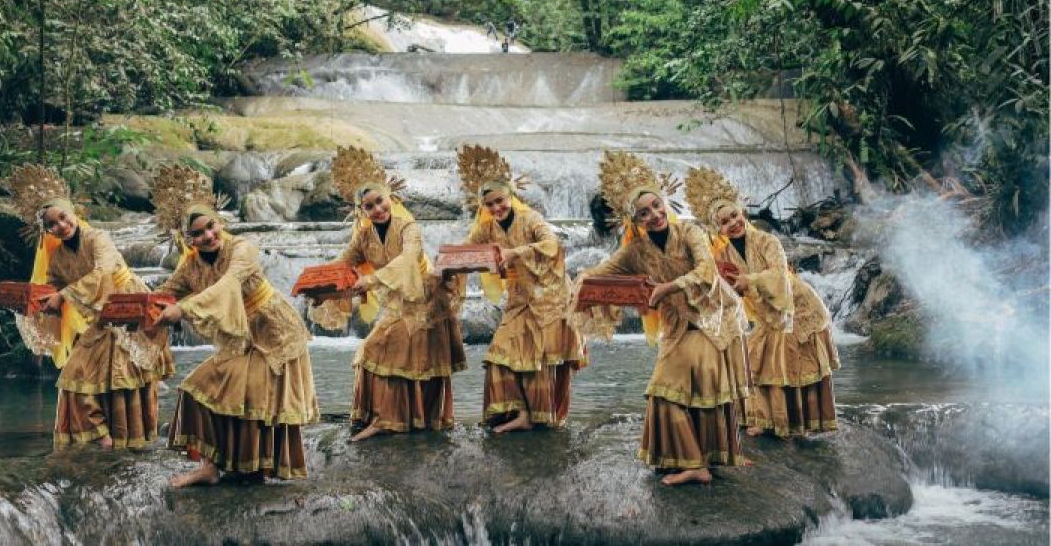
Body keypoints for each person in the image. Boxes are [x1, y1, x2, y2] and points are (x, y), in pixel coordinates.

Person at [577, 152, 750, 486]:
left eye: (656, 206)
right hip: (676, 327)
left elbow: (706, 270)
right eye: (644, 213)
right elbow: (601, 273)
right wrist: (580, 286)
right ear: (635, 220)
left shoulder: (689, 232)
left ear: (664, 202)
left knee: (666, 388)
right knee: (673, 390)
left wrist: (667, 288)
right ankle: (692, 458)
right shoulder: (635, 251)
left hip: (712, 320)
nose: (654, 215)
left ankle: (696, 464)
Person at [150, 164, 319, 487]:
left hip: (273, 334)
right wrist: (130, 311)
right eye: (197, 234)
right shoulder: (190, 266)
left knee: (253, 397)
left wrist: (182, 310)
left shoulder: (243, 248)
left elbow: (228, 285)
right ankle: (209, 468)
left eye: (210, 227)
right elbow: (163, 294)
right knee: (197, 389)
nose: (207, 236)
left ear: (220, 221)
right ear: (187, 239)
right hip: (238, 336)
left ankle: (254, 468)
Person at [7, 164, 173, 450]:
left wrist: (65, 294)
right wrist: (36, 303)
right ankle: (103, 435)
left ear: (74, 213)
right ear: (47, 231)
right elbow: (53, 287)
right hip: (98, 314)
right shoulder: (57, 257)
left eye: (63, 217)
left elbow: (104, 270)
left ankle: (127, 437)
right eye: (52, 224)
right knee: (75, 373)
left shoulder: (98, 237)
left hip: (127, 307)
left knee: (126, 373)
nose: (61, 225)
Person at [310, 146, 465, 442]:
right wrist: (323, 290)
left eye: (380, 201)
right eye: (369, 206)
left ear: (389, 198)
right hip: (396, 300)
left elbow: (408, 260)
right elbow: (343, 264)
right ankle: (393, 418)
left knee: (396, 355)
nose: (377, 209)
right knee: (378, 353)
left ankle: (391, 420)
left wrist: (371, 281)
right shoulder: (364, 235)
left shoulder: (409, 226)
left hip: (424, 298)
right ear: (362, 211)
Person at [684, 166, 839, 438]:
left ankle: (792, 422)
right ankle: (765, 419)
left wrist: (750, 281)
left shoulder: (768, 240)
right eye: (724, 221)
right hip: (768, 314)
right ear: (717, 228)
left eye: (734, 215)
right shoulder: (725, 255)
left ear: (741, 212)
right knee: (752, 359)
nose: (732, 222)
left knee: (787, 362)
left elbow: (779, 275)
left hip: (796, 307)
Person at [454, 145, 585, 433]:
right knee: (499, 352)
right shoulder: (487, 228)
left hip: (549, 298)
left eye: (500, 201)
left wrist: (516, 253)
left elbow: (552, 245)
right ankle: (520, 412)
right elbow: (465, 248)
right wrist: (444, 266)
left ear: (510, 196)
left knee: (535, 358)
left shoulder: (531, 219)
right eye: (490, 205)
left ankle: (535, 416)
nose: (497, 208)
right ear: (484, 207)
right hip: (519, 298)